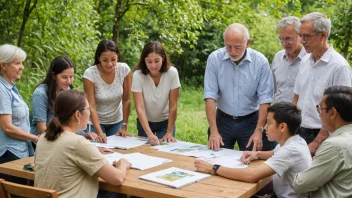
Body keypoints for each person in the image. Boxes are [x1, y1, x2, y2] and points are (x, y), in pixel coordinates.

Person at [195, 102, 312, 198]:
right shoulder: (296, 141)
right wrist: (257, 154)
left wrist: (213, 167)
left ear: (282, 127)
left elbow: (251, 176)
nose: (264, 127)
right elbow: (274, 153)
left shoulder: (290, 150)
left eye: (269, 123)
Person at [34, 90, 131, 198]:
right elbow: (117, 178)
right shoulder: (78, 143)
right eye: (88, 109)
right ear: (78, 115)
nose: (89, 113)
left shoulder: (43, 137)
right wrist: (123, 165)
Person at [204, 23, 275, 151]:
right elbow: (210, 96)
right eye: (228, 46)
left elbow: (265, 100)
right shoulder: (214, 59)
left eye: (237, 47)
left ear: (247, 43)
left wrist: (259, 131)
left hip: (252, 120)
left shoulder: (260, 62)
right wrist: (214, 131)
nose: (232, 51)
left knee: (256, 162)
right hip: (222, 120)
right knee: (216, 160)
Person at [292, 12, 352, 155]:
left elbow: (341, 112)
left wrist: (318, 141)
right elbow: (296, 98)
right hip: (298, 131)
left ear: (322, 35)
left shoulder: (339, 67)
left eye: (306, 36)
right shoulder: (305, 61)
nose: (302, 41)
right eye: (300, 35)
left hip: (323, 136)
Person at [293, 86, 352, 198]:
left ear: (332, 113)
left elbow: (300, 185)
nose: (319, 113)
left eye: (320, 108)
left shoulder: (334, 145)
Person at [30, 56, 97, 142]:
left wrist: (84, 135)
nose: (69, 81)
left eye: (71, 77)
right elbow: (42, 129)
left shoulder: (67, 90)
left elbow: (71, 121)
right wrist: (68, 139)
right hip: (45, 141)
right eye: (64, 77)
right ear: (54, 76)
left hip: (62, 138)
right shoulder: (40, 94)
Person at [0, 44, 38, 184]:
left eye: (21, 63)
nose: (22, 67)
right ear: (3, 65)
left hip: (20, 152)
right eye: (17, 63)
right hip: (8, 154)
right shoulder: (1, 89)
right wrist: (35, 138)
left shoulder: (10, 88)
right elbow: (7, 127)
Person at [132, 41, 181, 145]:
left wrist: (169, 132)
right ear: (144, 60)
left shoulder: (172, 73)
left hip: (166, 123)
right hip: (145, 123)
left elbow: (173, 106)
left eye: (156, 61)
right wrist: (149, 133)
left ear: (163, 58)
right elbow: (139, 108)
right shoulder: (138, 75)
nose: (153, 65)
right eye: (149, 61)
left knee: (165, 152)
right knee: (144, 153)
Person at [83, 40, 132, 143]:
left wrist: (124, 126)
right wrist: (99, 132)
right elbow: (91, 106)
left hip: (116, 121)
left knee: (117, 151)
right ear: (98, 58)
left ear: (118, 56)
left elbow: (126, 100)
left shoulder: (124, 70)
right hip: (95, 123)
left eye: (113, 59)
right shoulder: (90, 74)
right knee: (99, 150)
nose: (110, 64)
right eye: (105, 60)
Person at [272, 16, 307, 103]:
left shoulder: (310, 59)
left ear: (300, 35)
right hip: (278, 113)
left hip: (300, 115)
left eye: (288, 38)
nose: (284, 43)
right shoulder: (278, 58)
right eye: (281, 39)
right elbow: (272, 90)